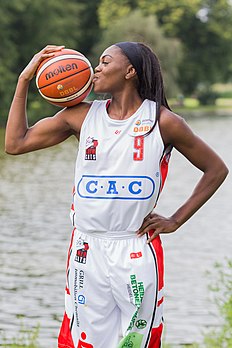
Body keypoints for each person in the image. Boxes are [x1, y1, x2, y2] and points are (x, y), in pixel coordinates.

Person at [5, 42, 228, 348]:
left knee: (137, 342)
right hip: (87, 247)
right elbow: (15, 144)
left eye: (105, 61)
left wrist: (176, 220)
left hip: (134, 247)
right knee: (83, 342)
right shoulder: (80, 117)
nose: (96, 67)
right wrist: (24, 80)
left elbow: (216, 169)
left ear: (129, 71)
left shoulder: (163, 122)